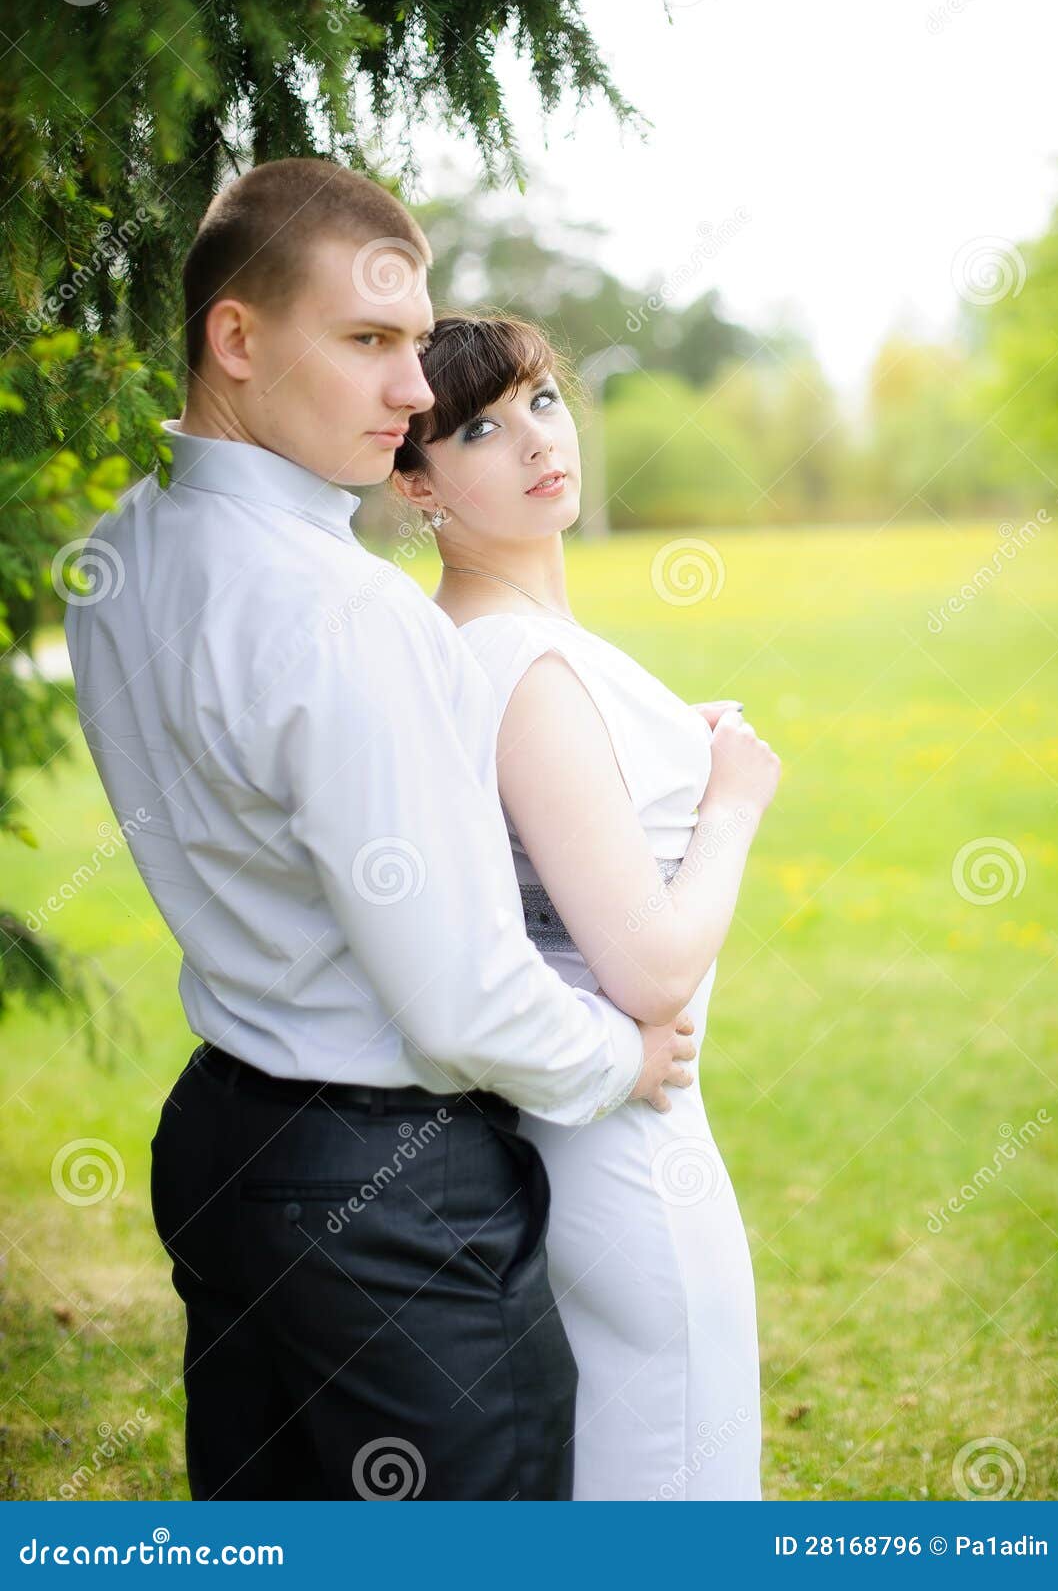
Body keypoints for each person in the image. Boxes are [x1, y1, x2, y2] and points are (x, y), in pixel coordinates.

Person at [63, 160, 696, 1501]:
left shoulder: (116, 555)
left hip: (226, 1139)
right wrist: (618, 1056)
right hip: (387, 1185)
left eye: (414, 346)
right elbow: (460, 996)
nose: (413, 393)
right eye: (367, 344)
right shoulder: (352, 614)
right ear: (236, 340)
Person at [391, 314, 781, 1498]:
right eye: (479, 428)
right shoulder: (522, 661)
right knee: (674, 1478)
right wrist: (732, 799)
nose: (536, 441)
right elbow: (652, 969)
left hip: (575, 1128)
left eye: (544, 400)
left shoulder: (483, 642)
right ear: (415, 483)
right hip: (630, 1138)